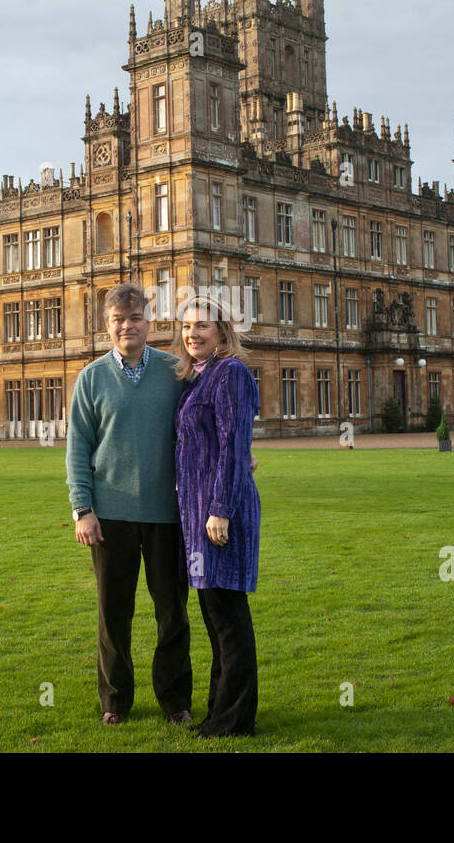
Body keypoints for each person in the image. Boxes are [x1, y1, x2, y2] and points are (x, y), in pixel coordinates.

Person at [65, 282, 193, 726]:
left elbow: (204, 422)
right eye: (119, 319)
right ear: (107, 325)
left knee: (172, 613)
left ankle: (175, 701)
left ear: (148, 322)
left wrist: (239, 449)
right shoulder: (92, 377)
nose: (128, 326)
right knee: (112, 615)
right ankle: (115, 701)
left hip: (168, 514)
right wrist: (82, 509)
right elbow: (78, 446)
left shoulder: (175, 371)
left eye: (135, 318)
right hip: (110, 515)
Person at [171, 295, 261, 737]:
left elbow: (232, 444)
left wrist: (220, 510)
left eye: (202, 326)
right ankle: (218, 714)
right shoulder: (197, 379)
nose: (193, 334)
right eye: (187, 327)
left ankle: (234, 719)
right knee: (214, 618)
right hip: (197, 519)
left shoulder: (232, 373)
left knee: (228, 618)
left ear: (222, 331)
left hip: (219, 515)